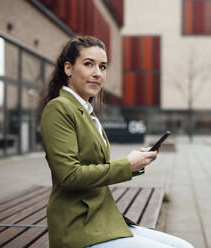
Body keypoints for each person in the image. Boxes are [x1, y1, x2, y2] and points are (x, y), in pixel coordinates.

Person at [39, 36, 194, 248]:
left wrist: (138, 163)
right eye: (88, 64)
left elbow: (96, 167)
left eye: (102, 67)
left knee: (183, 246)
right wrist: (127, 165)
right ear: (68, 68)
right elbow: (69, 176)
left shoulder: (87, 113)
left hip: (102, 219)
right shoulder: (59, 109)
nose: (97, 73)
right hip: (77, 227)